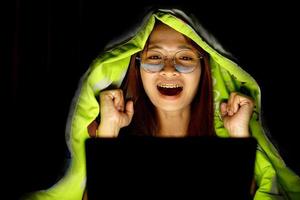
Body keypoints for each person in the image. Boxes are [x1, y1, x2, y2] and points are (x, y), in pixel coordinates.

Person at [22, 7, 300, 200]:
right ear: (137, 69)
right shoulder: (112, 140)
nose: (169, 69)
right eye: (155, 57)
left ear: (205, 72)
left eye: (185, 57)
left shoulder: (226, 142)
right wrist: (108, 131)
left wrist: (240, 136)